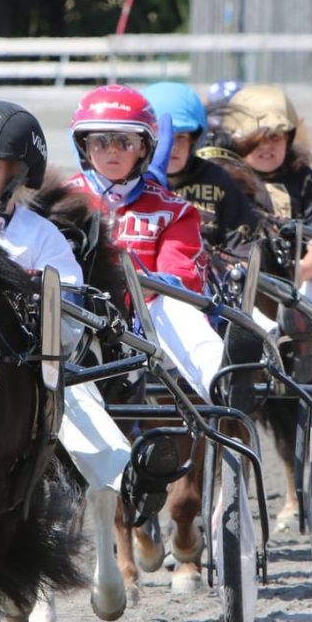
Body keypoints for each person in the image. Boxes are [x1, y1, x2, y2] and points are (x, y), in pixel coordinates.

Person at [0, 98, 131, 620]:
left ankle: (105, 560)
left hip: (37, 371)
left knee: (103, 451)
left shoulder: (40, 236)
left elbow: (69, 308)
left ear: (17, 172)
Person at [63, 84, 225, 400]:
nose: (112, 151)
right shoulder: (62, 202)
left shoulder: (173, 209)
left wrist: (147, 285)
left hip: (148, 323)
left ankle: (221, 380)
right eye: (101, 141)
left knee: (173, 302)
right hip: (81, 318)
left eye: (125, 142)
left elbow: (183, 276)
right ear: (84, 146)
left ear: (144, 148)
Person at [220, 84, 312, 336]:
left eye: (275, 137)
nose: (267, 146)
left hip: (304, 276)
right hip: (240, 283)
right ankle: (267, 343)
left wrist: (292, 278)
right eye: (256, 139)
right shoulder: (219, 182)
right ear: (237, 140)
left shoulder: (306, 180)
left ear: (289, 138)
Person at [141, 81, 259, 247]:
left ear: (194, 140)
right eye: (162, 138)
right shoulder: (130, 185)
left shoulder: (218, 180)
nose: (172, 146)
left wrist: (236, 266)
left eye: (181, 137)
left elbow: (244, 243)